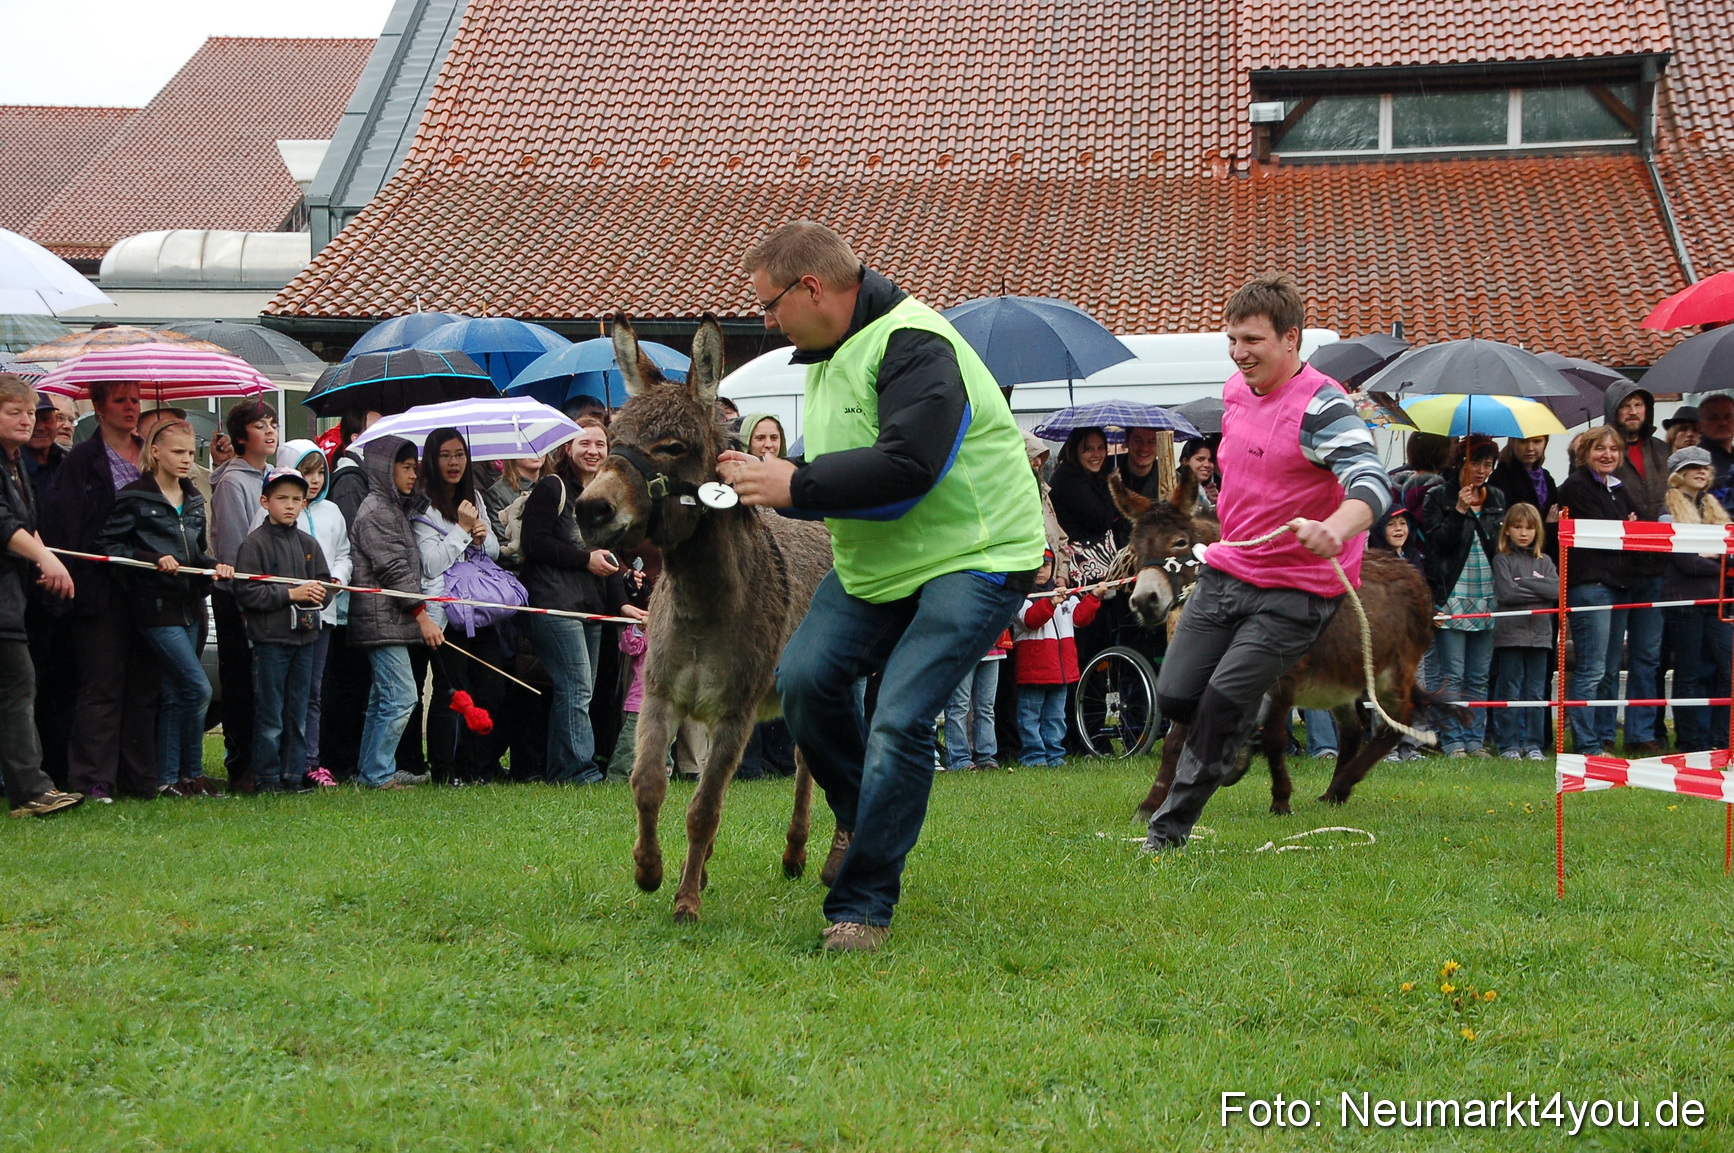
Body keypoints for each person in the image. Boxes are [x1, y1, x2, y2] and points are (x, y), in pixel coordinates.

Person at [720, 221, 1044, 951]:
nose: (766, 322)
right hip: (879, 567)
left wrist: (793, 483)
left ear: (812, 288)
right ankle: (865, 816)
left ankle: (862, 905)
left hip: (978, 554)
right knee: (803, 679)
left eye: (771, 305)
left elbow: (906, 469)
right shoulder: (825, 354)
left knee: (899, 717)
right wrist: (758, 473)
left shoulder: (917, 344)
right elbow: (848, 454)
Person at [1142, 273, 1390, 852]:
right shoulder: (1234, 391)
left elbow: (1372, 482)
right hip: (1229, 570)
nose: (1239, 352)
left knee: (1220, 704)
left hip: (1295, 589)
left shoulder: (1324, 407)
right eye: (1232, 339)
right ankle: (1232, 735)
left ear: (1291, 339)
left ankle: (1168, 832)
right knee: (1177, 696)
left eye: (1252, 340)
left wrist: (1337, 527)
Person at [96, 419, 233, 798]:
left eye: (191, 452)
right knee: (197, 687)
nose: (187, 460)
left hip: (190, 605)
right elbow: (109, 547)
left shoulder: (193, 499)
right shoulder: (133, 497)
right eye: (178, 452)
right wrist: (152, 558)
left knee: (177, 692)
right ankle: (173, 775)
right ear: (155, 452)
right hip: (155, 608)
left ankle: (182, 778)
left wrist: (214, 566)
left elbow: (198, 552)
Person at [41, 379, 159, 802]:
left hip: (150, 590)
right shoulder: (81, 461)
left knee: (145, 686)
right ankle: (93, 779)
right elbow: (65, 527)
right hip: (98, 592)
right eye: (120, 400)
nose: (130, 408)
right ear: (98, 406)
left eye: (135, 400)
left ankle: (139, 779)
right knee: (101, 686)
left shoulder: (153, 452)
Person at [520, 419, 630, 784]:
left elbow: (609, 555)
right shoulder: (551, 488)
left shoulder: (606, 496)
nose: (593, 451)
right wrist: (584, 559)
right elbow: (534, 542)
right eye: (585, 443)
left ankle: (561, 769)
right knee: (576, 687)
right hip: (556, 605)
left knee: (581, 690)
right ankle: (578, 771)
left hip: (594, 609)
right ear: (568, 447)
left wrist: (622, 606)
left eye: (601, 444)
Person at [0, 374, 82, 818]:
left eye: (30, 412)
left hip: (12, 599)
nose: (27, 420)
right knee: (18, 685)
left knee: (18, 685)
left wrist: (45, 556)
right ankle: (31, 789)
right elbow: (3, 523)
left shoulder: (14, 463)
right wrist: (46, 560)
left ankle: (31, 788)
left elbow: (24, 520)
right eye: (14, 412)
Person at [411, 427, 506, 785]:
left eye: (460, 455)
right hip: (446, 613)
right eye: (445, 455)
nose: (454, 463)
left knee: (491, 687)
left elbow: (492, 553)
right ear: (432, 461)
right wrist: (462, 531)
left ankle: (476, 765)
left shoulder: (475, 498)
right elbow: (431, 563)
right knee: (453, 692)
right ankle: (444, 769)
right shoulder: (424, 506)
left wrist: (481, 537)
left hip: (480, 608)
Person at [348, 436, 439, 789]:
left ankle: (373, 769)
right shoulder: (377, 511)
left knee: (384, 698)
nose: (413, 475)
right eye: (405, 467)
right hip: (381, 620)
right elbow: (395, 571)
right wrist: (423, 617)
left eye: (414, 468)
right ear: (384, 469)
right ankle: (377, 773)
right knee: (400, 696)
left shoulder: (395, 507)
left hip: (390, 620)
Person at [233, 469, 332, 793]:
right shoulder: (254, 544)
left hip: (305, 640)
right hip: (270, 642)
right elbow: (246, 592)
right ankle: (266, 778)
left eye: (296, 499)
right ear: (265, 501)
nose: (289, 505)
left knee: (298, 711)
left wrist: (320, 592)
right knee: (271, 714)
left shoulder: (308, 544)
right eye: (281, 498)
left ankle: (293, 776)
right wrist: (291, 593)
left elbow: (325, 584)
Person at [208, 399, 279, 792]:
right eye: (260, 425)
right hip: (238, 593)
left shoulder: (273, 476)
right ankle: (241, 765)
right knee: (240, 682)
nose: (270, 431)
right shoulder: (233, 481)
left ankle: (266, 760)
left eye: (273, 423)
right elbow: (236, 547)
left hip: (270, 593)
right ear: (240, 437)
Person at [1558, 426, 1641, 755]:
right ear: (1584, 453)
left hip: (1618, 583)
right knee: (1591, 668)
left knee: (1608, 669)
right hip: (1590, 586)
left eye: (1614, 449)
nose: (1607, 455)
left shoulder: (1617, 488)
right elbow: (1601, 531)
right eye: (1599, 449)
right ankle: (1586, 744)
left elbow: (1640, 520)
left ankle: (1604, 737)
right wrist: (1625, 525)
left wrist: (1625, 525)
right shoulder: (1576, 486)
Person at [1422, 435, 1506, 758]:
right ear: (1461, 462)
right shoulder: (1437, 496)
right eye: (1476, 462)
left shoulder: (1496, 497)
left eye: (1488, 464)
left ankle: (1474, 738)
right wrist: (1458, 510)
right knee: (1451, 673)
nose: (1482, 470)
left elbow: (1499, 544)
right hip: (1451, 591)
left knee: (1478, 674)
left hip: (1486, 592)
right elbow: (1437, 545)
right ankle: (1452, 738)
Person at [277, 440, 351, 787]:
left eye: (321, 471)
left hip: (324, 612)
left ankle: (310, 761)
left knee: (313, 690)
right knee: (283, 689)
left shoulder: (332, 512)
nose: (316, 480)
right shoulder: (275, 513)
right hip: (282, 616)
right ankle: (280, 761)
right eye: (307, 472)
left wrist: (338, 577)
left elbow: (345, 553)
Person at [1603, 381, 1670, 755]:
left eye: (1639, 404)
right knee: (1610, 659)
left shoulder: (1662, 450)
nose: (1633, 411)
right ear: (1614, 409)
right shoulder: (1603, 452)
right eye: (1626, 405)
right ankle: (1603, 732)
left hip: (1657, 569)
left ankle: (1641, 732)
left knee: (1647, 655)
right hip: (1614, 570)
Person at [1660, 446, 1732, 752]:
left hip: (1716, 602)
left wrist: (1713, 556)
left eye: (1705, 467)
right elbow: (1685, 562)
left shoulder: (1713, 507)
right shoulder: (1667, 511)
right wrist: (1722, 560)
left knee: (1728, 669)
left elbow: (1718, 557)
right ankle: (1690, 744)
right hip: (1684, 603)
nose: (1701, 471)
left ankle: (1720, 742)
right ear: (1679, 474)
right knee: (1688, 673)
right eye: (1693, 467)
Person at [1011, 554, 1102, 766]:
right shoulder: (1020, 597)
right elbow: (1031, 620)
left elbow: (1080, 618)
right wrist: (1051, 603)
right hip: (1034, 671)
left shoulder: (1067, 596)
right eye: (1035, 565)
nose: (1041, 570)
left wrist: (1094, 598)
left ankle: (1054, 755)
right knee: (1030, 717)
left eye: (1046, 565)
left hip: (1061, 672)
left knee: (1056, 717)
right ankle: (1033, 756)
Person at [1490, 503, 1557, 761]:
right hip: (1510, 635)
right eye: (1518, 527)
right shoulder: (1502, 559)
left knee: (1536, 691)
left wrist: (1526, 582)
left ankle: (1533, 744)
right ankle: (1508, 744)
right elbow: (1507, 593)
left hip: (1540, 636)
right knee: (1509, 689)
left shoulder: (1546, 561)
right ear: (1507, 530)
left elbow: (1556, 591)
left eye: (1529, 528)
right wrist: (1540, 587)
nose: (1524, 533)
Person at [942, 623, 1010, 771]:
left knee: (986, 707)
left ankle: (986, 757)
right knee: (959, 705)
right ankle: (959, 759)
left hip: (992, 646)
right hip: (962, 646)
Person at [1489, 435, 1559, 544]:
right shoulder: (1501, 477)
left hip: (1546, 551)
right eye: (1523, 441)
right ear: (1512, 442)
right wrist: (1547, 527)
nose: (1530, 448)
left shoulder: (1546, 477)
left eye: (1537, 441)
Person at [21, 395, 68, 501]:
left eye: (46, 419)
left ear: (55, 421)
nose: (40, 427)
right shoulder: (10, 467)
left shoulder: (69, 460)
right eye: (33, 418)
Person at [1115, 427, 1166, 500]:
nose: (1144, 448)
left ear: (1160, 445)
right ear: (1127, 442)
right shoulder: (1104, 470)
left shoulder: (1173, 481)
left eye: (1152, 441)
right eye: (1138, 440)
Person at [1173, 436, 1219, 514]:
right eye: (1200, 459)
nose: (1207, 465)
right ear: (1185, 461)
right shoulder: (1175, 486)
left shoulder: (1202, 490)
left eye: (1210, 460)